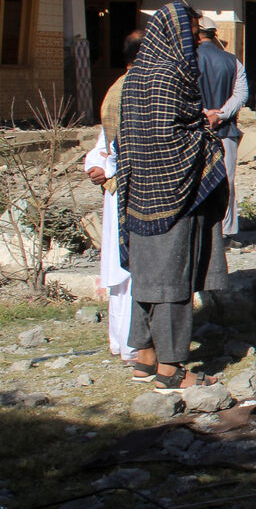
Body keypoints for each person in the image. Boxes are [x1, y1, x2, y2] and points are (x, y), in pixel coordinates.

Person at [117, 1, 227, 392]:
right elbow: (171, 138)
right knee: (172, 283)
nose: (196, 42)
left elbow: (131, 135)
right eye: (191, 34)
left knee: (146, 278)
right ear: (173, 35)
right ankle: (172, 368)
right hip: (174, 193)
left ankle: (144, 358)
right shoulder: (171, 75)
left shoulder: (135, 76)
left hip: (138, 193)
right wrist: (206, 133)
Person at [84, 31, 142, 378]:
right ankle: (130, 343)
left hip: (123, 188)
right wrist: (101, 166)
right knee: (129, 272)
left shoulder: (119, 88)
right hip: (131, 192)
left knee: (128, 274)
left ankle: (127, 342)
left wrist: (102, 165)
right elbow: (108, 145)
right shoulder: (132, 89)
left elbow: (104, 149)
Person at [195, 15, 248, 237]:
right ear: (214, 34)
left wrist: (204, 114)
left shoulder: (186, 59)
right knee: (227, 181)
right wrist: (221, 114)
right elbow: (241, 94)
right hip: (226, 131)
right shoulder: (232, 61)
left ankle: (202, 230)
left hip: (195, 131)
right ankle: (227, 231)